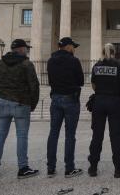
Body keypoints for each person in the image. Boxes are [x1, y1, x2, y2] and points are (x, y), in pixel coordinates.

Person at [0, 39, 40, 179]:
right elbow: (34, 86)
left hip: (3, 103)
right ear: (22, 49)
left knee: (0, 135)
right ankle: (23, 167)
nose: (27, 50)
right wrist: (32, 104)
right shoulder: (26, 64)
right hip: (21, 103)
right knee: (22, 136)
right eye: (26, 48)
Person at [87, 43, 120, 178]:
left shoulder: (97, 66)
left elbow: (93, 85)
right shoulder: (119, 66)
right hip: (114, 102)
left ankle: (93, 167)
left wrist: (101, 92)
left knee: (97, 136)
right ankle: (118, 168)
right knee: (115, 136)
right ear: (114, 52)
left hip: (99, 102)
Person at [46, 37, 84, 178]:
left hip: (55, 98)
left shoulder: (51, 60)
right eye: (73, 46)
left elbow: (50, 80)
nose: (74, 49)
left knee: (53, 134)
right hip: (70, 99)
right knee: (70, 135)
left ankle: (51, 167)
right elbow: (80, 80)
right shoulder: (74, 61)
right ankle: (69, 168)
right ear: (67, 47)